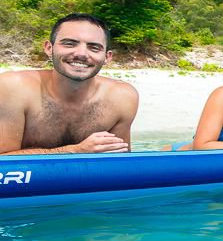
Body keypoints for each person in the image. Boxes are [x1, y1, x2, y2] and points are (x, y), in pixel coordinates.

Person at [0, 13, 139, 155]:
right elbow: (3, 162)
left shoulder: (122, 97)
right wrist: (74, 150)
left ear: (107, 57)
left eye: (94, 47)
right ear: (49, 48)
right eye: (69, 44)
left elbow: (119, 165)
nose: (82, 54)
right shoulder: (13, 88)